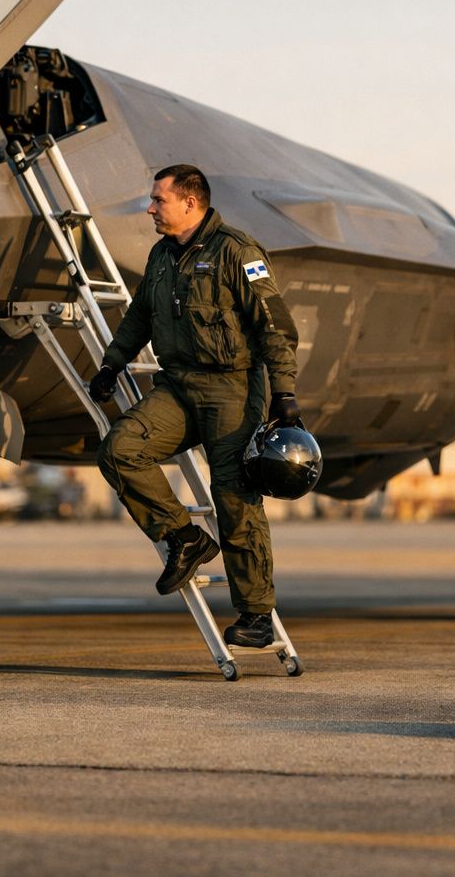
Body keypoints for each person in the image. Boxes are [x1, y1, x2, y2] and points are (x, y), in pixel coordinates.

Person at [90, 164, 300, 648]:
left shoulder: (237, 251)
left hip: (232, 390)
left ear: (190, 202)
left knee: (234, 498)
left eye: (158, 200)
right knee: (119, 449)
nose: (149, 208)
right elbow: (139, 315)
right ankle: (184, 538)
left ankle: (256, 616)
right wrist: (112, 364)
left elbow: (275, 326)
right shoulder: (162, 255)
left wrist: (284, 393)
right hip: (179, 388)